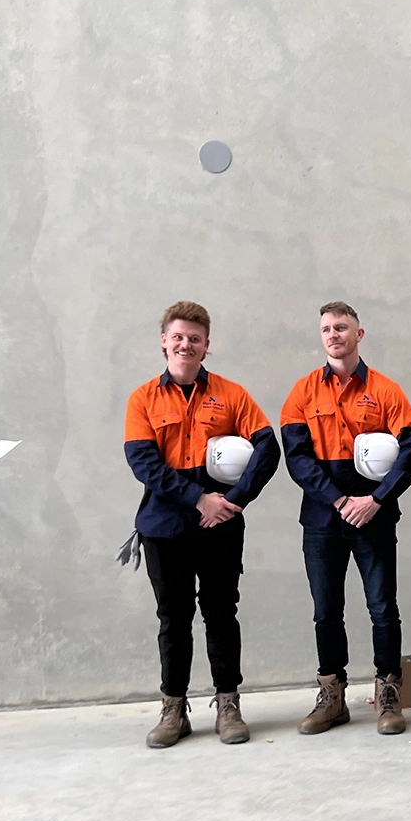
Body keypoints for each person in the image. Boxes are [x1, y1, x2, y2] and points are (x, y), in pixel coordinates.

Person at [122, 300, 281, 748]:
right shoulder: (143, 399)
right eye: (178, 337)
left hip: (220, 525)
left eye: (195, 338)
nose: (185, 345)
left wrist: (232, 500)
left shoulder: (232, 395)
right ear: (164, 341)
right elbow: (143, 463)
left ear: (206, 345)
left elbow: (268, 448)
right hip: (164, 525)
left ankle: (228, 705)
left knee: (221, 613)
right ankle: (174, 708)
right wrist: (199, 498)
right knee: (173, 618)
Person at [280, 301, 411, 735]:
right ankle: (332, 697)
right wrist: (339, 500)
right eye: (327, 328)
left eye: (341, 327)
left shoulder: (386, 390)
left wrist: (376, 499)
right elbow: (297, 458)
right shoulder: (303, 392)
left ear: (358, 334)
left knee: (383, 608)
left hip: (374, 517)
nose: (333, 334)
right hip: (322, 520)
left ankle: (389, 694)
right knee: (326, 611)